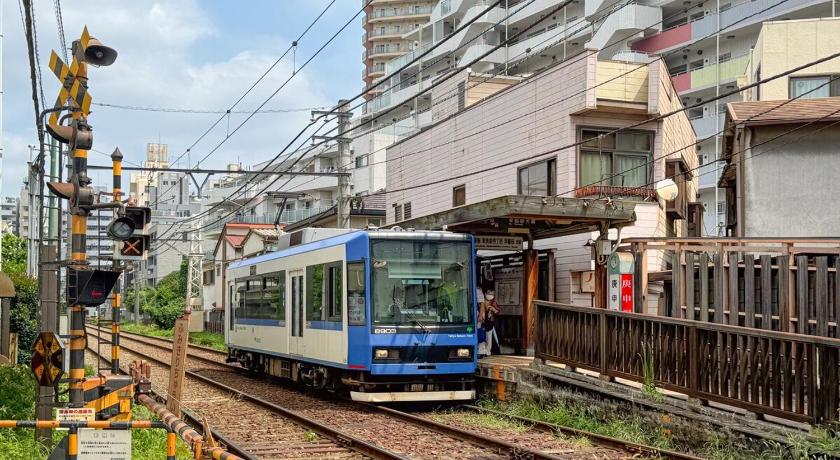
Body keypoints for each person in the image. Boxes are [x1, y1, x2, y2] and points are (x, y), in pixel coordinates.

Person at [478, 289, 499, 357]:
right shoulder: (481, 302)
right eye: (489, 293)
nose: (490, 295)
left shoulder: (493, 303)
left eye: (492, 294)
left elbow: (498, 311)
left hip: (490, 323)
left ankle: (487, 351)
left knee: (489, 338)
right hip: (482, 322)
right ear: (485, 294)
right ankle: (481, 351)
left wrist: (494, 309)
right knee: (482, 336)